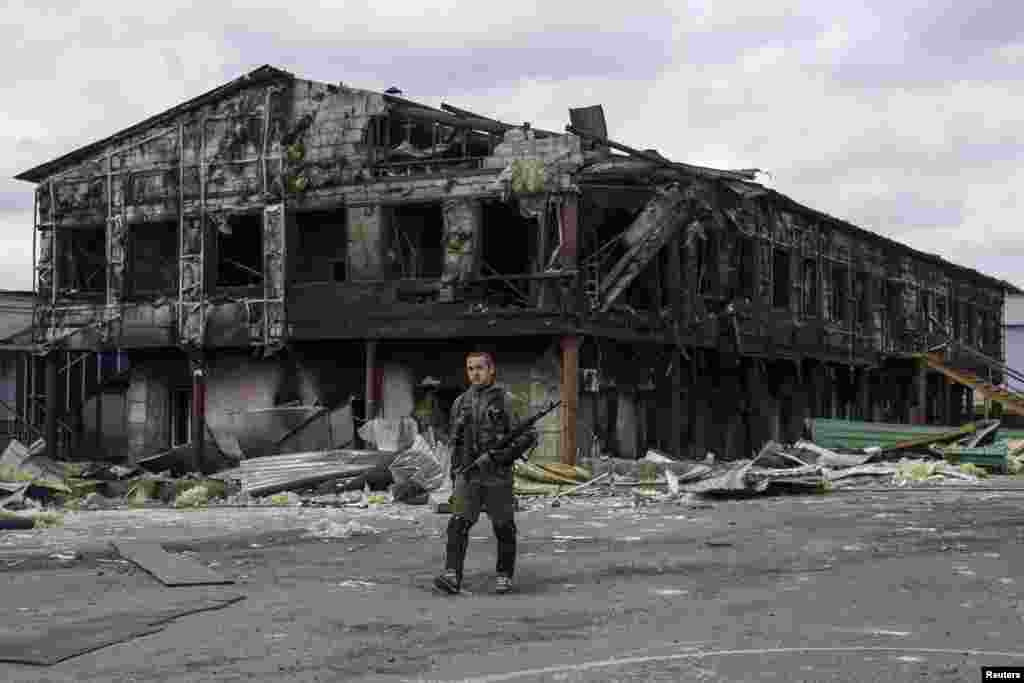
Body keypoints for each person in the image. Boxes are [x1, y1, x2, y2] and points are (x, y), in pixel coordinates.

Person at [434, 351, 538, 595]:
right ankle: (452, 575)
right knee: (457, 523)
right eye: (470, 368)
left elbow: (528, 435)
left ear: (492, 370)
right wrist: (454, 475)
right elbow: (455, 442)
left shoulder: (507, 401)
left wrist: (500, 457)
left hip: (497, 475)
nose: (475, 373)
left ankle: (504, 575)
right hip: (467, 474)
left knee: (503, 526)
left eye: (480, 368)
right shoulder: (460, 403)